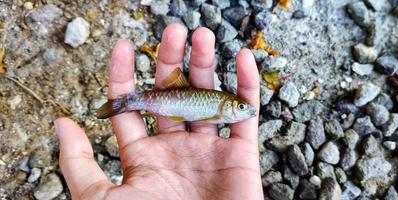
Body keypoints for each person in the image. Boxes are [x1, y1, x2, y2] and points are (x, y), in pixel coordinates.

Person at [54, 24, 264, 199]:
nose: (245, 110)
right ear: (228, 106)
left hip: (169, 102)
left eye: (242, 106)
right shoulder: (218, 112)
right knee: (132, 101)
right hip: (170, 100)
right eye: (241, 107)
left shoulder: (219, 108)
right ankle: (123, 103)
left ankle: (124, 103)